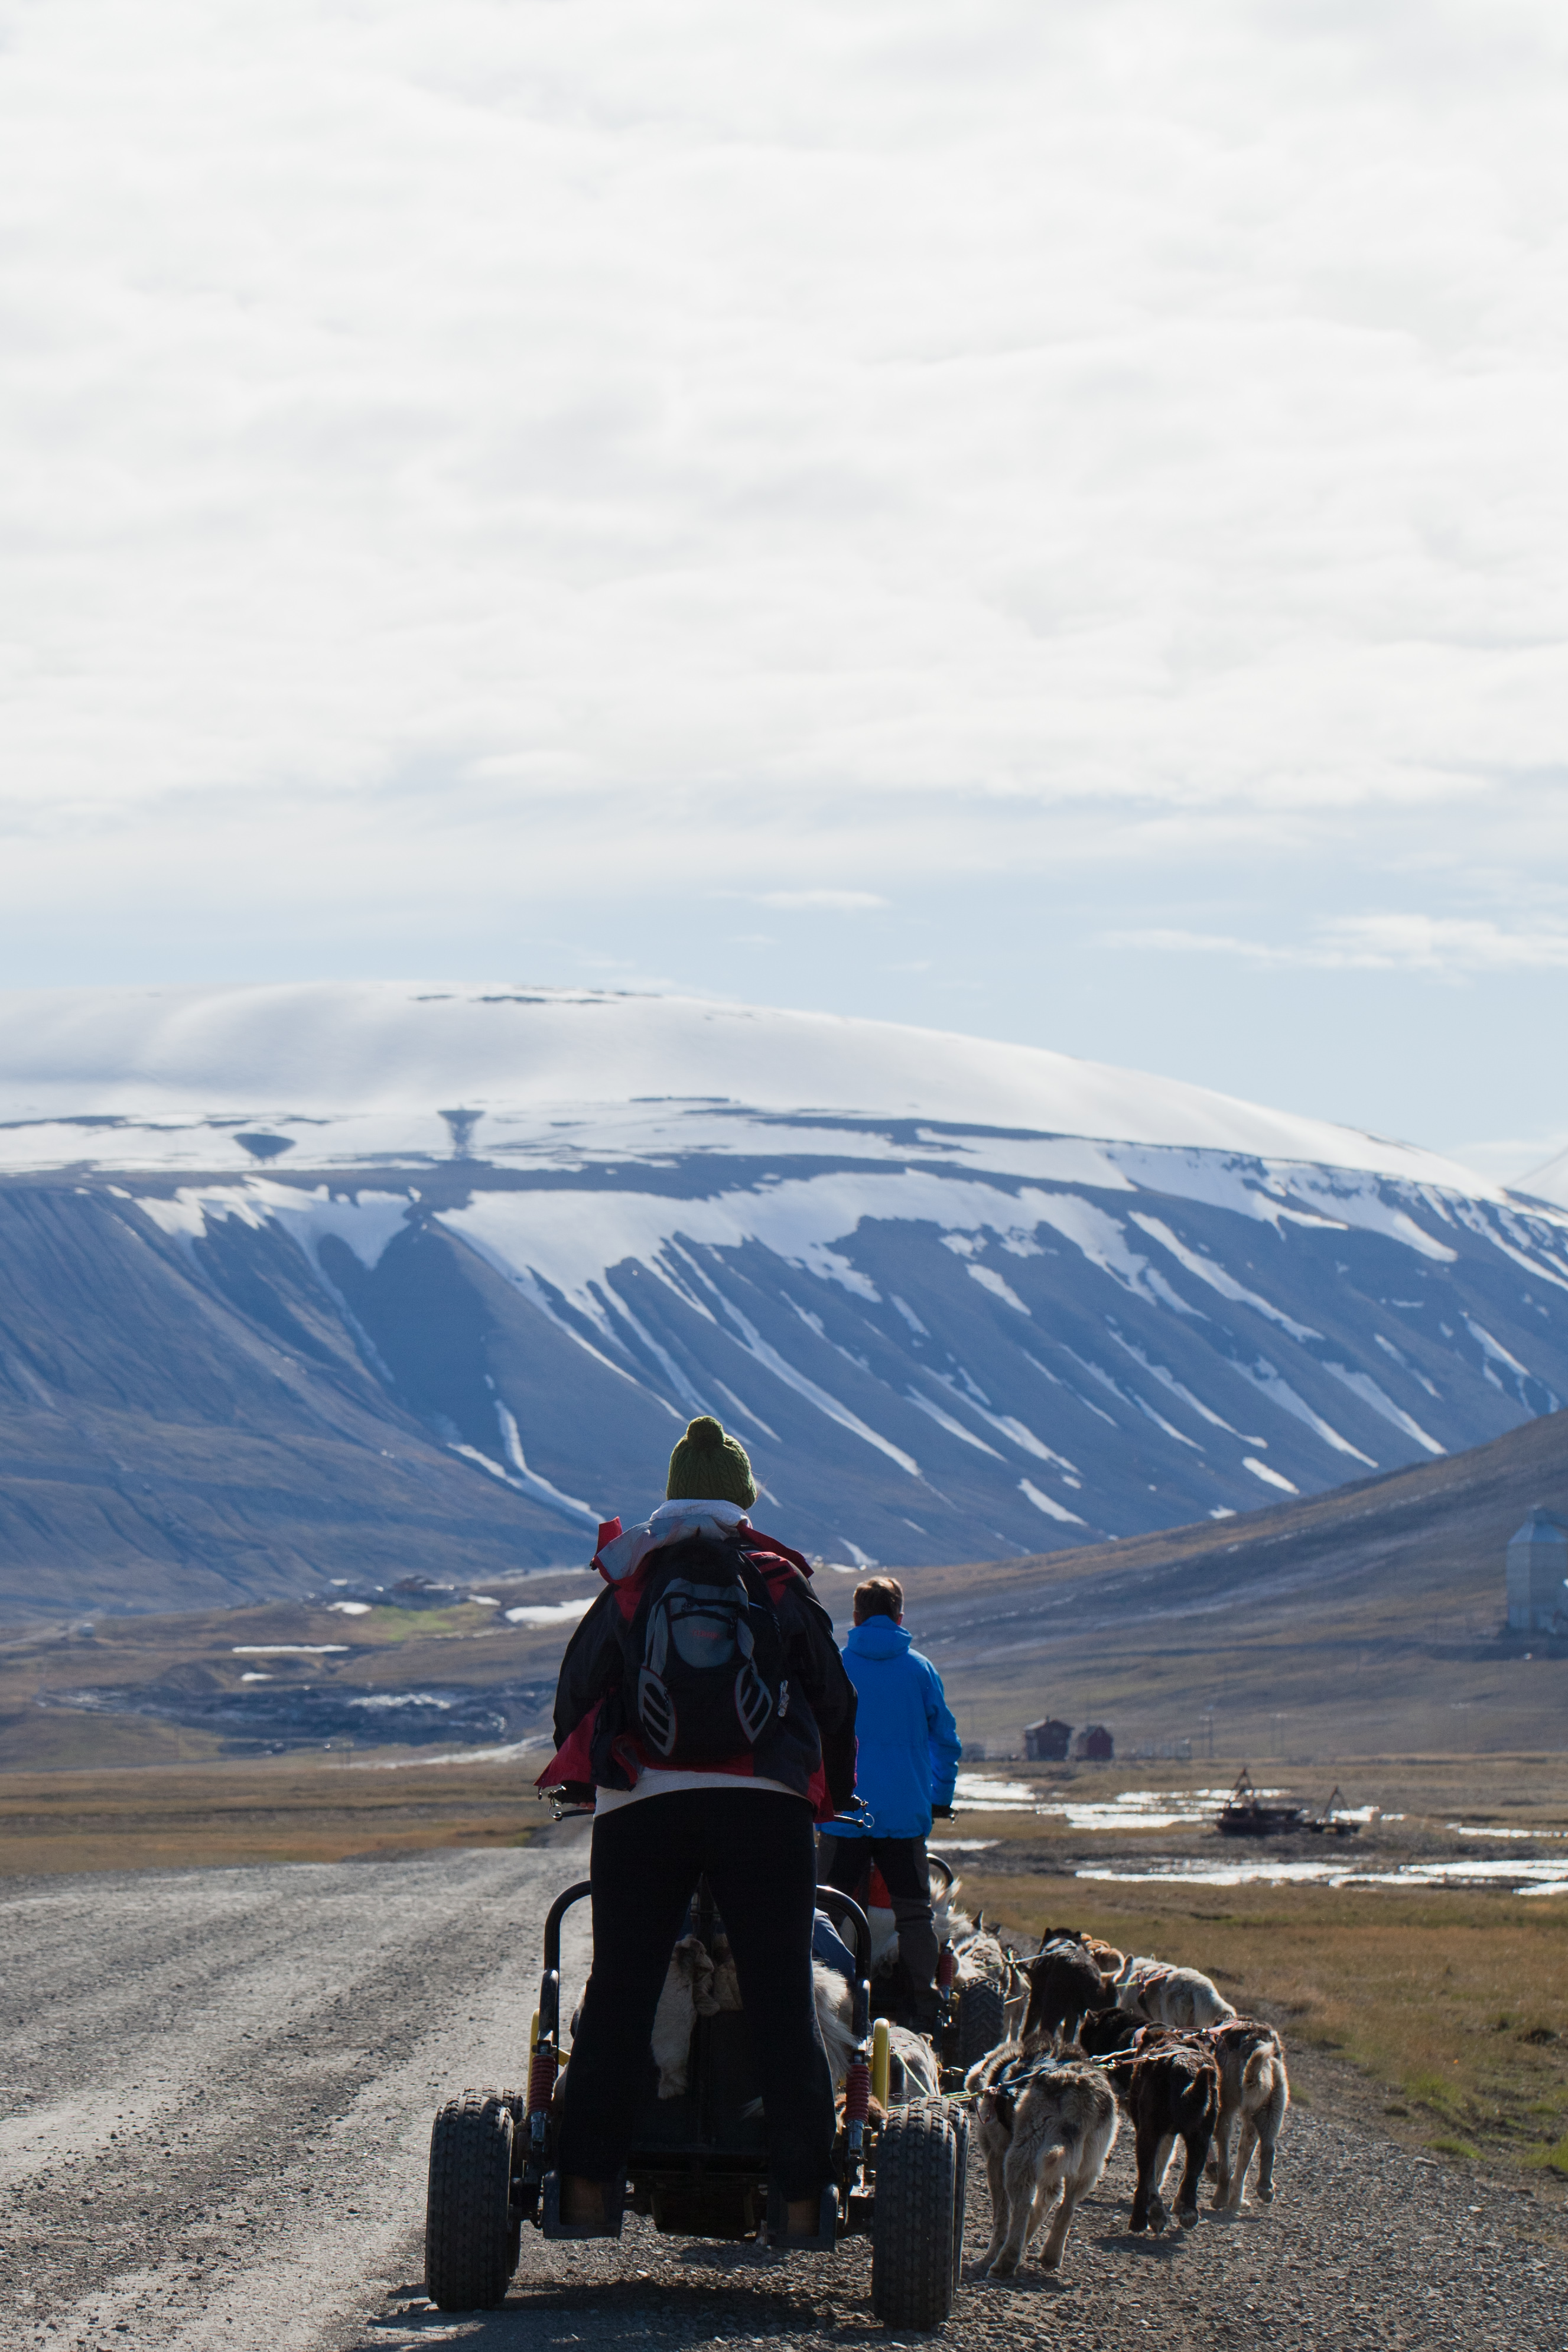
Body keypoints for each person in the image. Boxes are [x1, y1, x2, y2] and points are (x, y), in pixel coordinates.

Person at [538, 1415, 858, 2241]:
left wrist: (594, 1770)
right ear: (743, 1500)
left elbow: (576, 1689)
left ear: (674, 1495)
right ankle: (797, 2200)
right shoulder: (775, 1579)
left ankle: (582, 2189)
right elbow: (833, 1699)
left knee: (621, 1991)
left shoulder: (635, 1579)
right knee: (783, 1995)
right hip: (765, 1810)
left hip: (645, 1807)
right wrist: (833, 1790)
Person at [816, 1575, 961, 2032]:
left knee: (828, 1908)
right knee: (914, 1912)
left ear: (856, 1617)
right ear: (900, 1617)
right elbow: (946, 1742)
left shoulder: (835, 1666)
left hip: (843, 1814)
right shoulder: (920, 1670)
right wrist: (939, 1798)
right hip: (904, 1817)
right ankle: (924, 2004)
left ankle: (820, 1994)